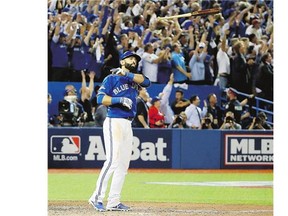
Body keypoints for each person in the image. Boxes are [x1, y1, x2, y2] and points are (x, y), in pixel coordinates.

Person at [88, 51, 150, 212]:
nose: (134, 61)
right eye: (130, 59)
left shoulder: (132, 78)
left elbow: (147, 82)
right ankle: (96, 197)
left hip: (128, 124)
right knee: (112, 161)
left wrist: (126, 73)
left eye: (135, 60)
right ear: (122, 61)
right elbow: (101, 99)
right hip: (114, 120)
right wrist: (119, 99)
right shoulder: (111, 78)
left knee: (123, 164)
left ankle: (114, 201)